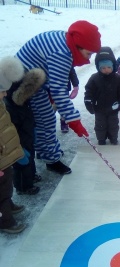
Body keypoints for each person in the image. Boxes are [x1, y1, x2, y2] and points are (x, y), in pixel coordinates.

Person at [15, 20, 101, 175]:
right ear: (78, 46)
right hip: (25, 83)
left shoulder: (66, 41)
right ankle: (51, 160)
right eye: (88, 53)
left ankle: (44, 151)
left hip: (36, 79)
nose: (88, 59)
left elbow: (50, 75)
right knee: (46, 119)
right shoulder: (62, 53)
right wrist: (73, 120)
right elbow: (59, 90)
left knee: (44, 118)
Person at [4, 67, 46, 195]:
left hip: (27, 137)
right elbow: (11, 130)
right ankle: (23, 186)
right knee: (22, 164)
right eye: (30, 92)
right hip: (19, 142)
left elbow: (27, 119)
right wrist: (17, 146)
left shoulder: (23, 103)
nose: (32, 94)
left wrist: (33, 129)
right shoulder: (12, 108)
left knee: (30, 159)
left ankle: (31, 177)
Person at [0, 56, 27, 234]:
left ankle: (8, 204)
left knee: (6, 186)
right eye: (2, 91)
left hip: (4, 157)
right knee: (0, 193)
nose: (5, 94)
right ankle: (5, 221)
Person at [84, 46, 120, 145]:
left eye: (108, 67)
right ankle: (101, 139)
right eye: (103, 68)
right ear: (98, 67)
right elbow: (89, 91)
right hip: (99, 108)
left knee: (113, 125)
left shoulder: (117, 78)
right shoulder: (94, 78)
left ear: (113, 66)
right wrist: (88, 101)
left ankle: (113, 138)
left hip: (113, 107)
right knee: (100, 125)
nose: (106, 70)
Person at [60, 67, 80, 133]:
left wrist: (75, 85)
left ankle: (64, 122)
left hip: (64, 87)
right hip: (48, 87)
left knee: (63, 106)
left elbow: (72, 72)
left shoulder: (66, 59)